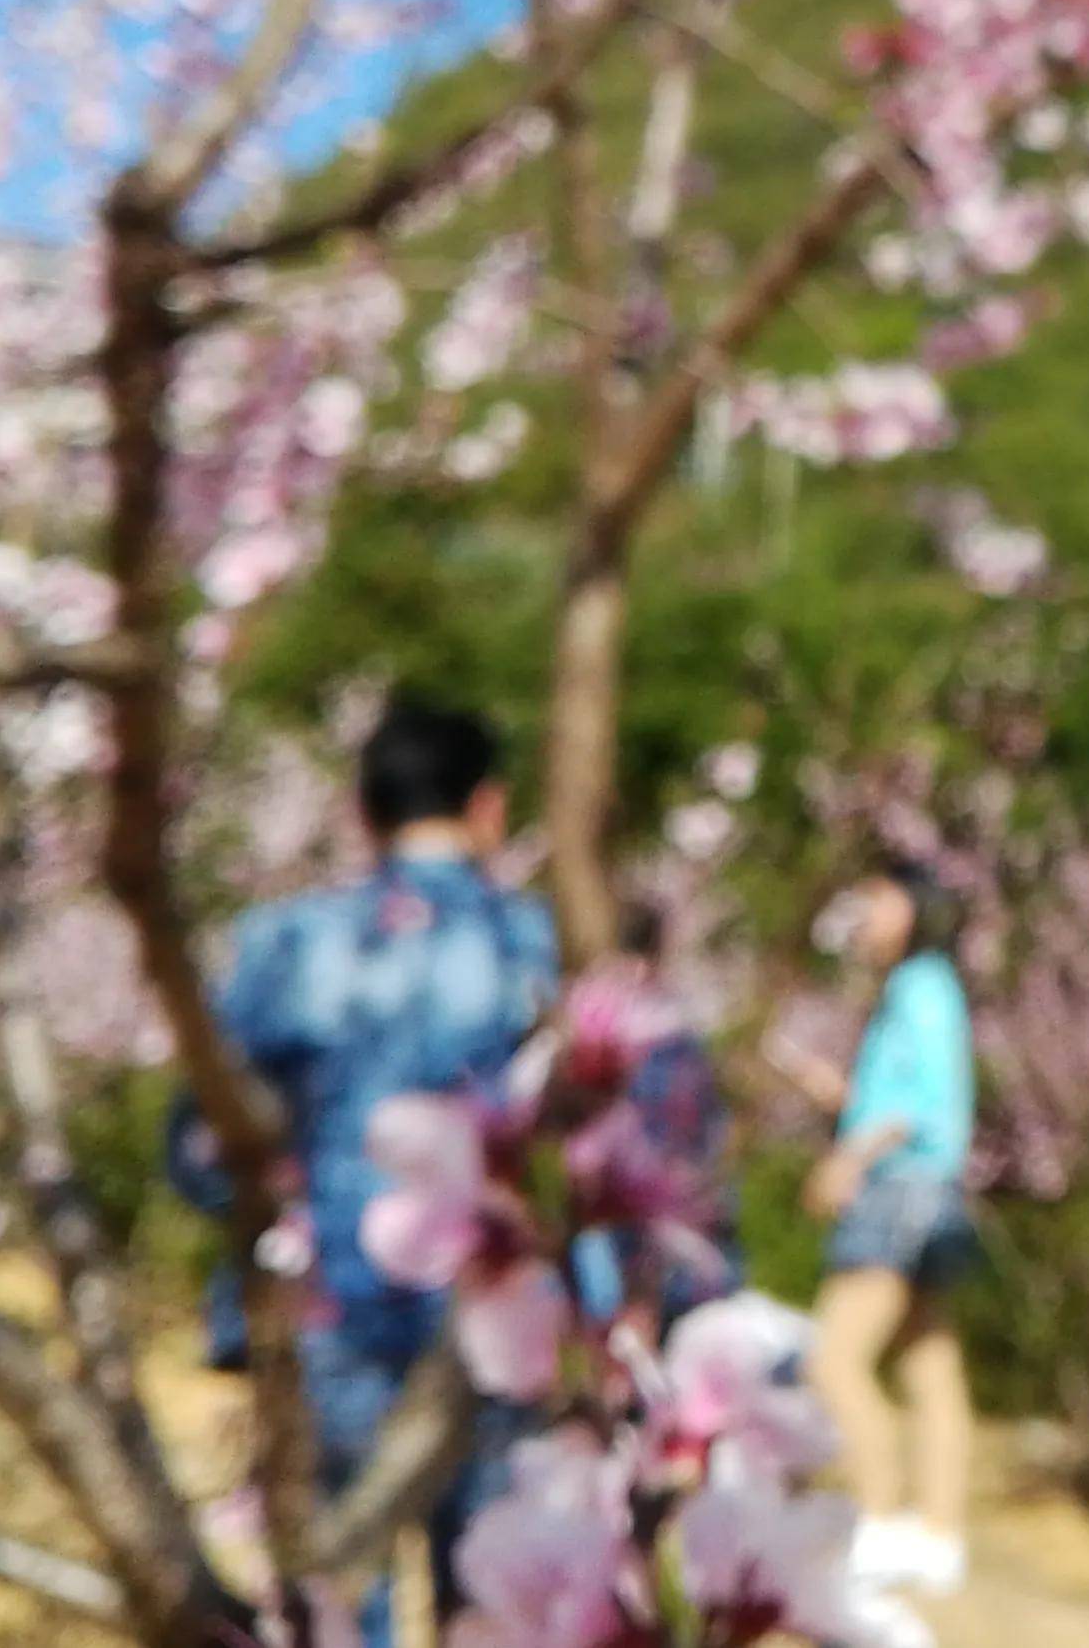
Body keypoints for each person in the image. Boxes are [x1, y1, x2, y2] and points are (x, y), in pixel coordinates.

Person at [209, 698, 560, 1648]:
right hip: (491, 1317)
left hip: (326, 1310)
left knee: (329, 1593)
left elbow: (206, 1141)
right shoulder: (533, 947)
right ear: (491, 808)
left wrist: (248, 1266)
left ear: (362, 814)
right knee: (490, 1601)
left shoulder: (288, 942)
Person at [780, 865, 979, 1598]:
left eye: (875, 898)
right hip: (935, 1190)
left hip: (898, 1189)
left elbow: (916, 1108)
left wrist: (846, 1156)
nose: (862, 912)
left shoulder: (915, 987)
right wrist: (843, 1097)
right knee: (929, 1364)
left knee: (836, 1358)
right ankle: (939, 1534)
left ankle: (878, 1520)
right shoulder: (933, 988)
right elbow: (907, 1094)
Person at [564, 898, 739, 1342]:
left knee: (605, 1308)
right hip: (665, 1183)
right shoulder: (674, 1012)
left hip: (601, 1173)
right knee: (656, 1303)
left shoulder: (593, 997)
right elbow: (700, 1113)